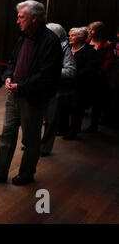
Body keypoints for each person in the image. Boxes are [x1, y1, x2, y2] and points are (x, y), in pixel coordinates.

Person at [0, 0, 62, 186]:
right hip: (14, 95)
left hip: (32, 98)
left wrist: (21, 87)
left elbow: (46, 75)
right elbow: (13, 62)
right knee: (6, 134)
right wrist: (8, 77)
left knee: (31, 139)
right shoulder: (23, 37)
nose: (18, 21)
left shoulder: (50, 41)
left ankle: (26, 173)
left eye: (21, 17)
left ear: (34, 18)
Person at [39, 23, 76, 155]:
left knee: (50, 120)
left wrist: (51, 72)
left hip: (56, 90)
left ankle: (44, 148)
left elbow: (71, 71)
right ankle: (33, 144)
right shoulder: (43, 44)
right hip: (40, 87)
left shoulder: (64, 48)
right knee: (36, 118)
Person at [64, 27, 100, 140]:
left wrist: (73, 74)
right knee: (64, 106)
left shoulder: (90, 52)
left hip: (81, 85)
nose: (70, 37)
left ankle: (73, 130)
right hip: (66, 83)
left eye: (73, 35)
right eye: (70, 35)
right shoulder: (67, 48)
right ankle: (63, 128)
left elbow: (90, 70)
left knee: (76, 108)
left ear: (80, 38)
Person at [86, 21, 115, 131]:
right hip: (86, 74)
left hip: (98, 76)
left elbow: (108, 61)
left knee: (97, 102)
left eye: (92, 29)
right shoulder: (87, 41)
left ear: (99, 31)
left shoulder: (106, 45)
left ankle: (94, 125)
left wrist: (100, 70)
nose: (90, 31)